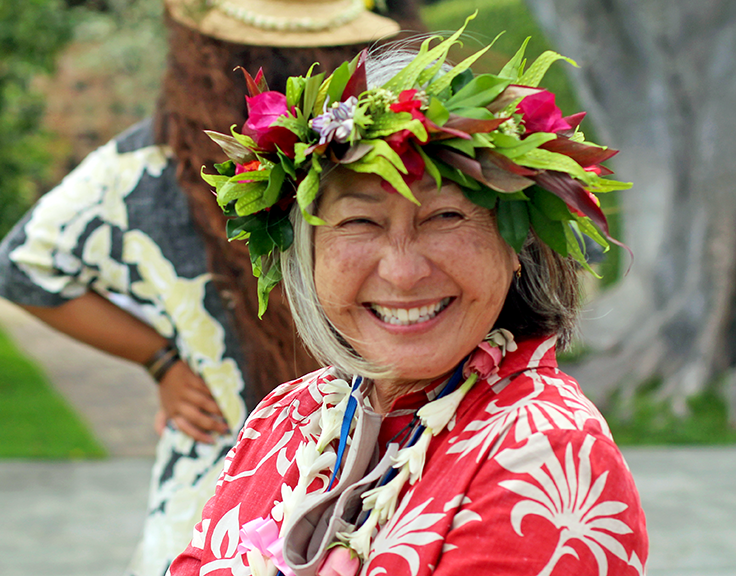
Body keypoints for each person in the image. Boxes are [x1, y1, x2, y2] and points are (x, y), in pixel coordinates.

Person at [172, 18, 648, 576]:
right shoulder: (288, 415)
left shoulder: (546, 449)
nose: (401, 272)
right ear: (309, 253)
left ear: (516, 240)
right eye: (359, 221)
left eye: (445, 216)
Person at [0, 1, 416, 574]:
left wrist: (162, 362)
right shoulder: (152, 167)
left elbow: (24, 265)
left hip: (332, 483)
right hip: (267, 486)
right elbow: (22, 267)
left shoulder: (365, 156)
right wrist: (162, 362)